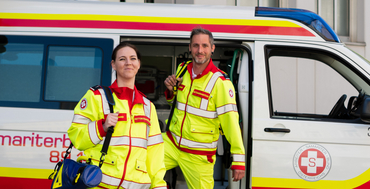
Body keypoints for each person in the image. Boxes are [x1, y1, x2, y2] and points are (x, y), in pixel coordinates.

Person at [68, 42, 167, 189]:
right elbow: (76, 137)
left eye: (133, 58)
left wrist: (158, 185)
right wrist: (102, 126)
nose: (128, 63)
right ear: (113, 65)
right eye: (122, 59)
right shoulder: (96, 96)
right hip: (100, 184)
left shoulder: (148, 107)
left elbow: (155, 152)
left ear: (139, 64)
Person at [163, 27, 246, 189]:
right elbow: (176, 105)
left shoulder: (221, 83)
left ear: (212, 48)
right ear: (189, 47)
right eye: (195, 46)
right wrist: (169, 90)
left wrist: (239, 160)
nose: (199, 50)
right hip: (171, 144)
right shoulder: (183, 69)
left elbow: (231, 124)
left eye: (204, 46)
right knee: (140, 167)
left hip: (198, 156)